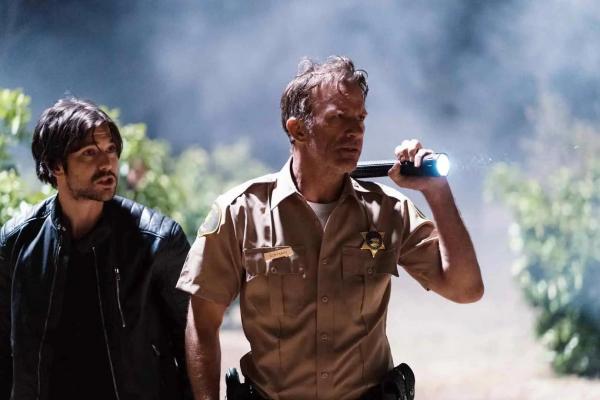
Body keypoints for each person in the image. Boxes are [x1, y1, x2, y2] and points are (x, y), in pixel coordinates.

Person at [177, 56, 484, 400]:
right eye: (339, 117)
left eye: (360, 118)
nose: (355, 131)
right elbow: (202, 322)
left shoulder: (387, 211)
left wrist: (436, 192)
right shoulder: (240, 213)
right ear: (298, 130)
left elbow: (466, 289)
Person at [0, 98, 192, 400]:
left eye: (111, 150)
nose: (107, 163)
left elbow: (193, 343)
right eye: (89, 152)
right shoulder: (16, 243)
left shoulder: (157, 241)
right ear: (55, 165)